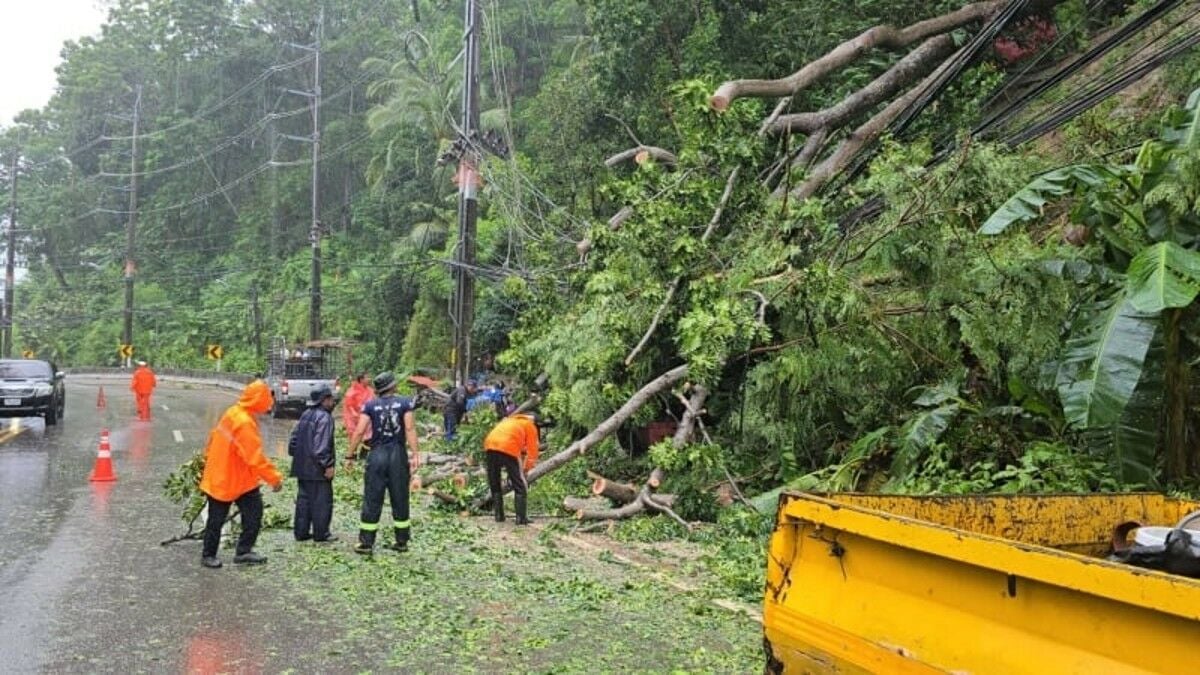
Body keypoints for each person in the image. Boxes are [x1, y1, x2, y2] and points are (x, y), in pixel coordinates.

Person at [198, 380, 283, 568]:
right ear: (259, 399)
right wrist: (274, 478)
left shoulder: (234, 412)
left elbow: (213, 438)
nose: (269, 402)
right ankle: (210, 554)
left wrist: (207, 461)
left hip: (238, 477)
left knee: (251, 513)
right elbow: (254, 457)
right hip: (226, 478)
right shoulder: (244, 422)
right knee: (218, 519)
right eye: (267, 398)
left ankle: (242, 552)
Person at [346, 372, 421, 554]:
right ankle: (401, 541)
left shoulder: (370, 405)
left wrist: (350, 456)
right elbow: (410, 428)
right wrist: (415, 453)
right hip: (397, 455)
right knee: (400, 498)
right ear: (393, 386)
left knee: (372, 498)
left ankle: (366, 543)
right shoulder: (405, 403)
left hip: (377, 455)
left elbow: (359, 431)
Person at [289, 385, 337, 543]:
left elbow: (293, 441)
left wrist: (297, 456)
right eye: (330, 399)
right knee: (322, 501)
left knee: (304, 501)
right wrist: (328, 465)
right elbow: (321, 447)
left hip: (302, 467)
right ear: (324, 400)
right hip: (317, 469)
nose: (333, 402)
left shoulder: (305, 414)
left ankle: (301, 532)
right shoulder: (325, 418)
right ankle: (321, 533)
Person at [482, 412, 541, 525]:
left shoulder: (510, 420)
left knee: (494, 480)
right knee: (519, 484)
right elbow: (532, 451)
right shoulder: (530, 425)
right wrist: (526, 470)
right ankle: (521, 518)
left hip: (490, 445)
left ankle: (499, 516)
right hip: (508, 446)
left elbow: (518, 444)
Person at [342, 371, 373, 444]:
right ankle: (353, 454)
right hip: (354, 419)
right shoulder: (353, 390)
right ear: (361, 379)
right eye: (367, 377)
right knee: (355, 439)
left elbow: (374, 401)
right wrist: (354, 413)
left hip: (366, 418)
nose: (369, 379)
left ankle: (364, 454)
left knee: (368, 439)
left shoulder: (370, 390)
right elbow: (349, 404)